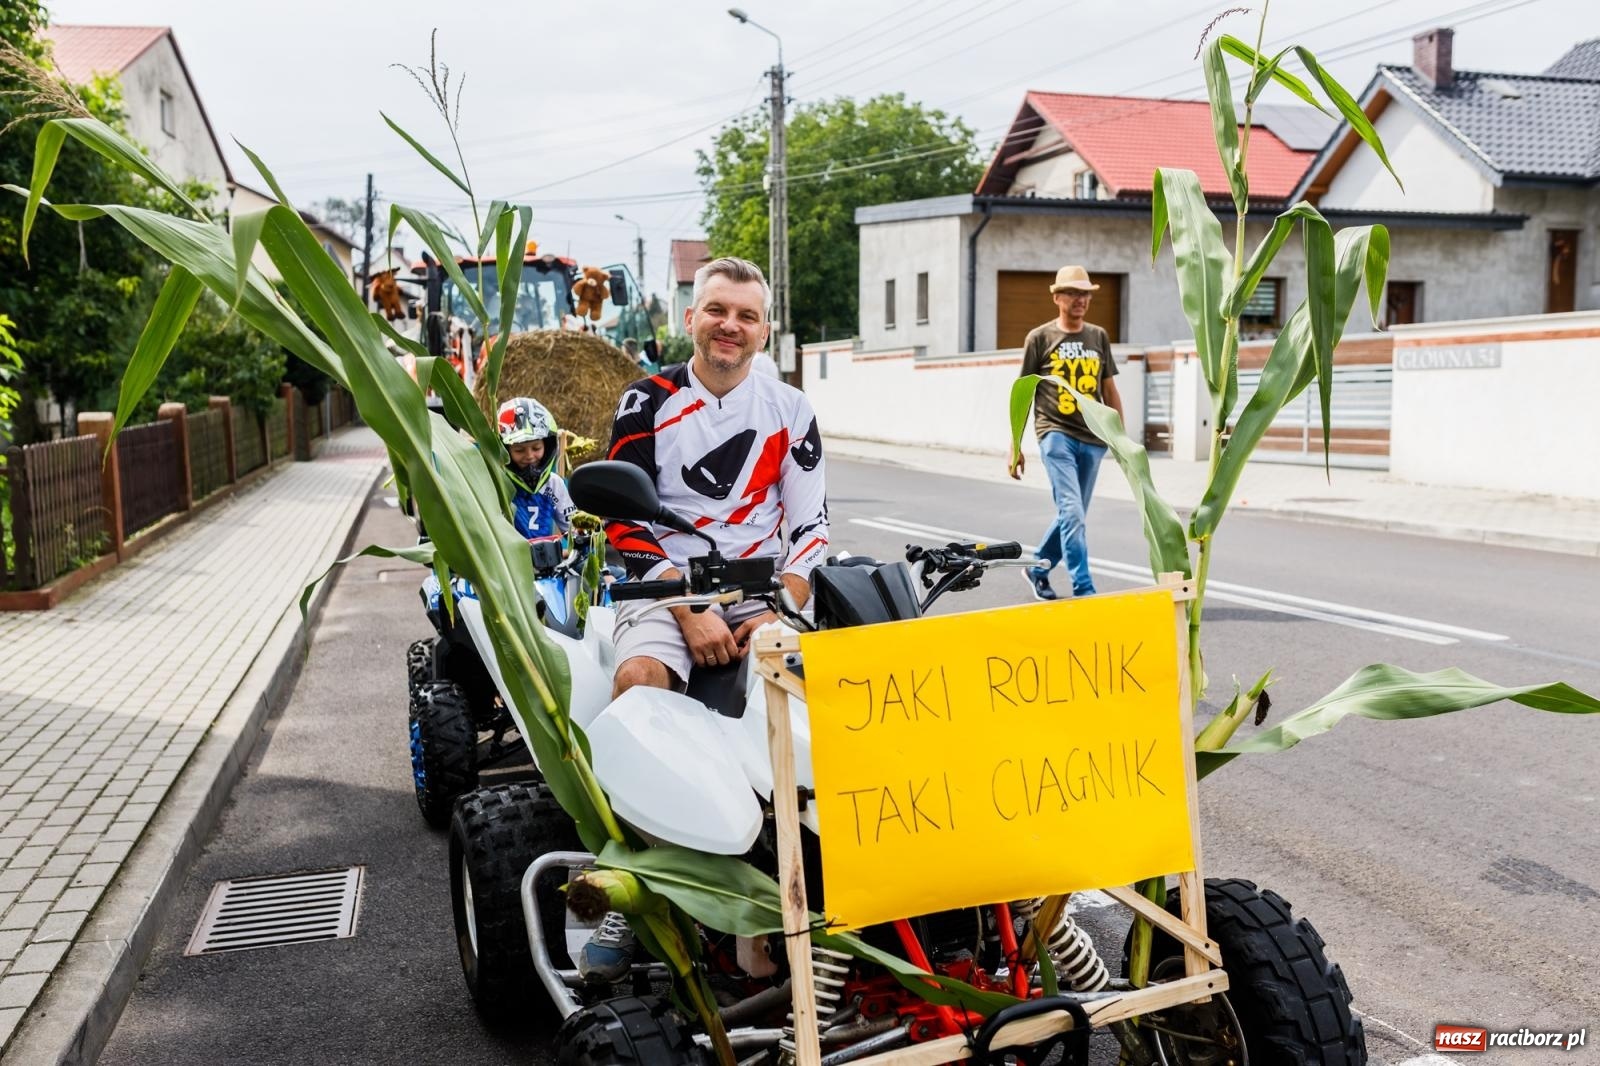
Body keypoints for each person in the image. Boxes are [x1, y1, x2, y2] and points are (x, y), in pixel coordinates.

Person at [579, 257, 829, 981]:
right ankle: (636, 879)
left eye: (747, 316)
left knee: (822, 708)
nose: (731, 326)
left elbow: (810, 528)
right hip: (665, 591)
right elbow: (623, 526)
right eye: (718, 310)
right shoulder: (644, 400)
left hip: (762, 596)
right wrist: (689, 611)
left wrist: (780, 604)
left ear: (764, 329)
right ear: (690, 318)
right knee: (641, 683)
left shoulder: (791, 409)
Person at [1010, 265, 1122, 601]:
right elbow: (1023, 393)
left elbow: (1109, 388)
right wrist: (1015, 446)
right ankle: (1084, 588)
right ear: (1057, 297)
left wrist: (1121, 437)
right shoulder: (1039, 338)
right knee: (1072, 512)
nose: (1081, 299)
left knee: (1072, 515)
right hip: (1054, 433)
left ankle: (1038, 568)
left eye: (1085, 293)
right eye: (1073, 293)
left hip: (1093, 438)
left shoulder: (1098, 336)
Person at [496, 397, 574, 540]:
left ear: (547, 445)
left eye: (536, 448)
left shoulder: (554, 484)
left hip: (548, 561)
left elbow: (572, 529)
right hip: (507, 561)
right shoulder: (497, 486)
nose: (530, 456)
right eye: (519, 450)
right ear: (505, 451)